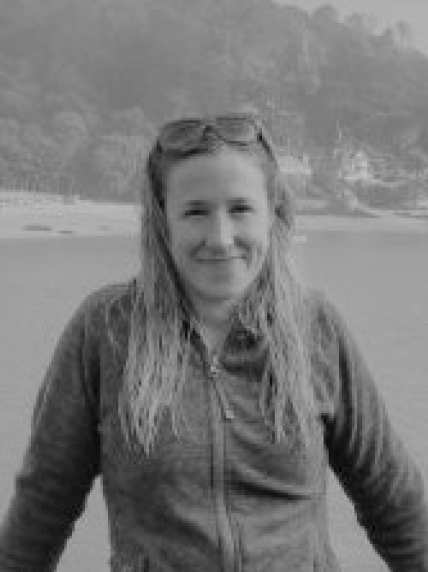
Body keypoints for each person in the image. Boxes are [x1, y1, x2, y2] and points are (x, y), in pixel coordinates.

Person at [0, 112, 427, 572]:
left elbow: (393, 501)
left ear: (272, 213)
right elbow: (43, 507)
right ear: (163, 220)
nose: (221, 239)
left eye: (240, 209)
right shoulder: (105, 330)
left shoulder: (315, 328)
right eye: (196, 212)